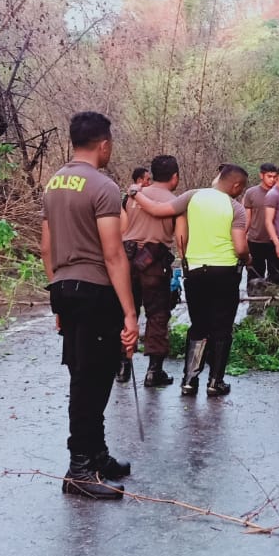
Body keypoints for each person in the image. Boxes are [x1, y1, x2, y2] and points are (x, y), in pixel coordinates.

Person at [40, 111, 138, 501]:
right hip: (96, 292)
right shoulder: (103, 186)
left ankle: (96, 455)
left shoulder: (53, 184)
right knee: (90, 380)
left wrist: (56, 294)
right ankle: (79, 469)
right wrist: (130, 313)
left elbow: (46, 247)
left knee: (88, 374)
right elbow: (114, 254)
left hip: (65, 287)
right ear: (104, 144)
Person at [130, 165, 250, 397]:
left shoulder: (192, 196)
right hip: (225, 273)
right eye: (242, 187)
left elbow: (156, 209)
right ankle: (215, 382)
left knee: (199, 326)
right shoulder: (236, 208)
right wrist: (248, 257)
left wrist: (136, 193)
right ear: (236, 186)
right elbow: (240, 247)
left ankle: (189, 381)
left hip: (195, 271)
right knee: (222, 327)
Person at [117, 155, 185, 388]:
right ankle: (154, 371)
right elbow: (182, 239)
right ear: (175, 176)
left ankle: (123, 365)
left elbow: (124, 230)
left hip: (127, 259)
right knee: (157, 314)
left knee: (128, 311)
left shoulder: (133, 197)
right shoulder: (175, 202)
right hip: (154, 263)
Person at [243, 162, 278, 289]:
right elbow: (247, 218)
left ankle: (273, 305)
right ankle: (254, 304)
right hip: (255, 240)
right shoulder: (251, 193)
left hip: (274, 241)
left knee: (275, 276)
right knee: (255, 275)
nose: (272, 180)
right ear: (261, 175)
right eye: (269, 176)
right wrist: (243, 238)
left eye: (275, 177)